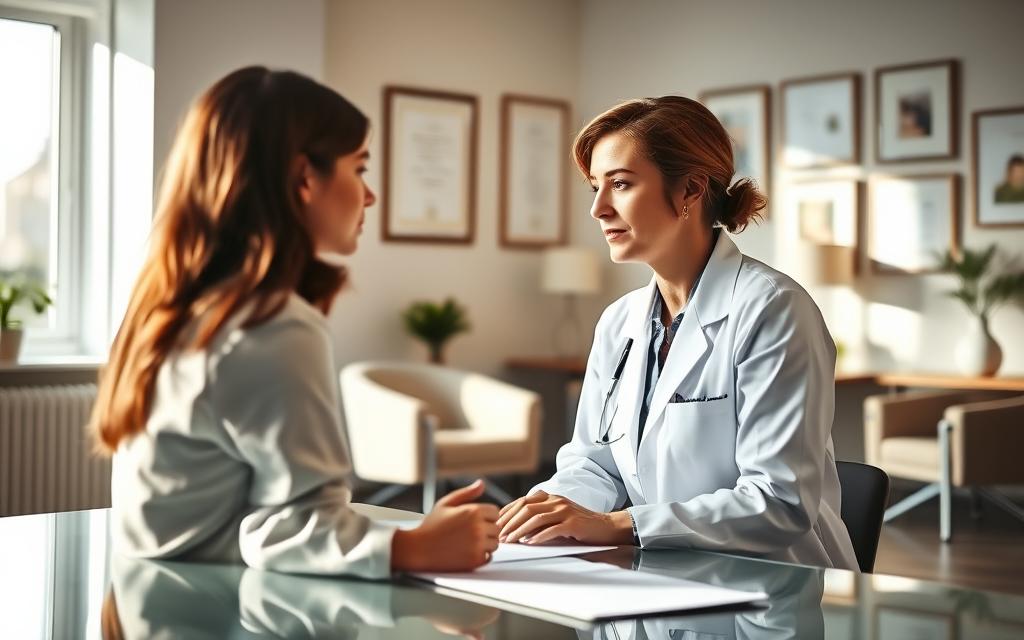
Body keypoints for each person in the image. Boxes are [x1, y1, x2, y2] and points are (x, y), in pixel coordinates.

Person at [89, 66, 498, 578]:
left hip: (154, 590)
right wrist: (412, 548)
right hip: (218, 603)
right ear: (305, 178)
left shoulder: (176, 304)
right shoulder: (272, 325)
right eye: (360, 169)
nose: (369, 196)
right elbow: (290, 526)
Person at [497, 96, 859, 571]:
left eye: (621, 184)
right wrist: (531, 517)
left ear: (690, 189)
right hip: (661, 574)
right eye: (594, 189)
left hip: (772, 588)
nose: (599, 210)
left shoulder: (774, 310)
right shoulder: (619, 321)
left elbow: (778, 502)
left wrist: (619, 525)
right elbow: (594, 464)